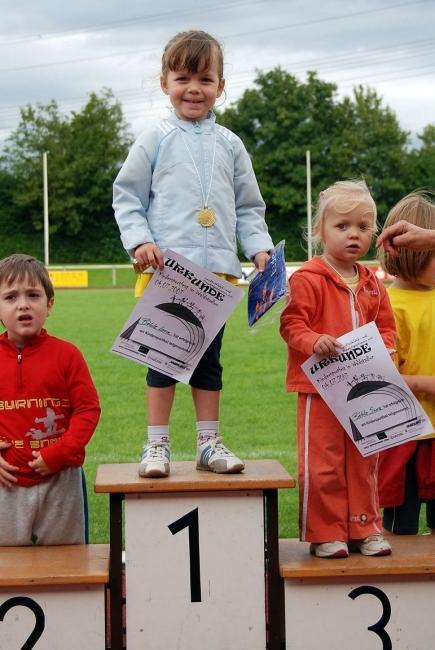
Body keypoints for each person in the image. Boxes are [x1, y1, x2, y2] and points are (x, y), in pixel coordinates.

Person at [113, 30, 273, 478]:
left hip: (217, 277)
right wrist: (141, 241)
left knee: (208, 363)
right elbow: (127, 196)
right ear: (164, 82)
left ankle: (208, 443)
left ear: (221, 86)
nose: (194, 88)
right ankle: (156, 446)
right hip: (168, 272)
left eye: (205, 78)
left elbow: (248, 206)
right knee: (162, 362)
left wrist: (258, 247)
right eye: (183, 77)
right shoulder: (154, 139)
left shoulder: (232, 143)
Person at [280, 180, 396, 558]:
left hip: (365, 390)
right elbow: (291, 324)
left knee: (365, 461)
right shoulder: (307, 278)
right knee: (323, 464)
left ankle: (366, 527)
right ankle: (325, 532)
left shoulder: (373, 285)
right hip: (319, 391)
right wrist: (313, 341)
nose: (353, 235)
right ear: (319, 231)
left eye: (363, 228)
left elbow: (385, 327)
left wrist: (388, 349)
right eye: (342, 226)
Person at [0, 254, 100, 545]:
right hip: (5, 482)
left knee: (66, 566)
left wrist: (61, 452)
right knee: (8, 571)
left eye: (33, 295)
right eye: (10, 297)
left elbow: (87, 409)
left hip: (61, 480)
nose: (23, 305)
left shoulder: (67, 355)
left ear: (50, 304)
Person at [377, 191, 435, 535]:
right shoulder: (385, 304)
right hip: (403, 438)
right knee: (401, 529)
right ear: (412, 253)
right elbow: (380, 379)